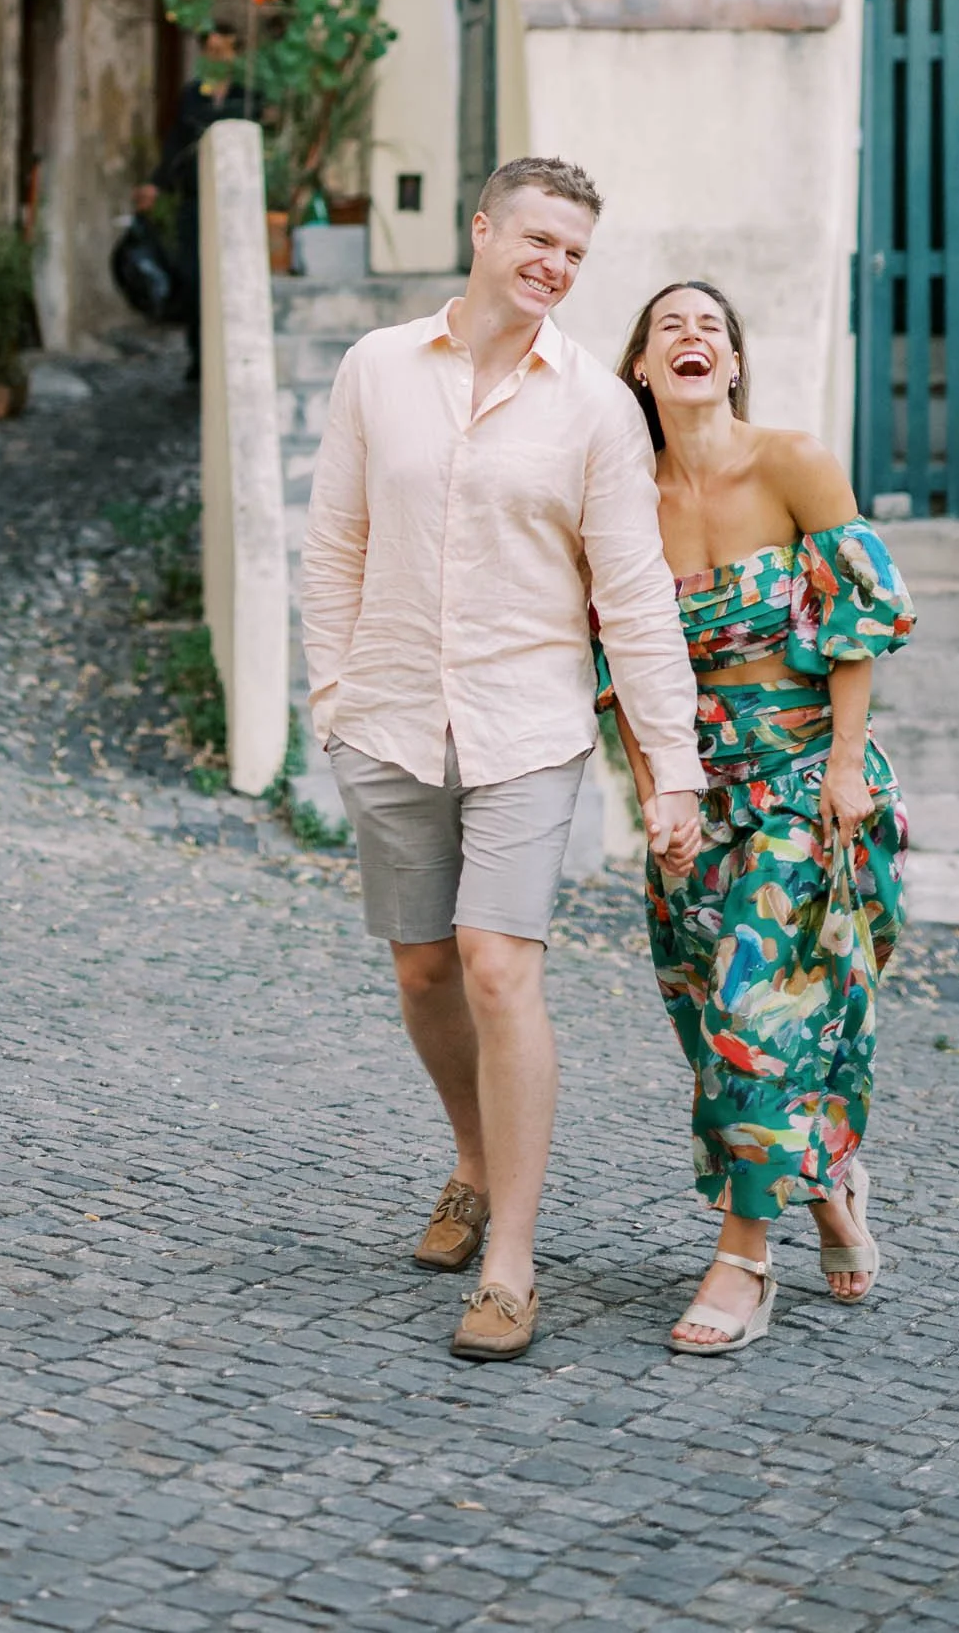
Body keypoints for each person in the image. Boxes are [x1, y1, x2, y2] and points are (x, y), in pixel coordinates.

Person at [299, 159, 703, 1363]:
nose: (554, 267)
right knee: (423, 967)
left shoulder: (591, 405)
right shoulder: (377, 368)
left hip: (528, 723)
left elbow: (632, 598)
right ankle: (470, 1164)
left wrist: (668, 762)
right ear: (482, 231)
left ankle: (514, 1257)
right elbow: (335, 542)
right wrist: (333, 693)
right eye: (537, 239)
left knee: (493, 966)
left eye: (575, 254)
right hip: (388, 718)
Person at [599, 282, 915, 1356]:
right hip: (699, 794)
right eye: (667, 327)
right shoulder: (619, 496)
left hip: (806, 786)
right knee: (714, 1026)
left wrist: (841, 763)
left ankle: (742, 1260)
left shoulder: (792, 462)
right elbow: (625, 671)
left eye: (712, 327)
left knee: (756, 1011)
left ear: (732, 362)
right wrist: (655, 793)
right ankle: (825, 1194)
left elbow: (857, 616)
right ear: (639, 367)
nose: (692, 337)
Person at [133, 17, 248, 386]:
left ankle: (232, 359)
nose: (216, 57)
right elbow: (175, 146)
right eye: (209, 50)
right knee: (194, 280)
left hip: (237, 207)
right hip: (194, 203)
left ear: (235, 53)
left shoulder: (249, 95)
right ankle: (200, 359)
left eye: (222, 50)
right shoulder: (192, 94)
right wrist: (155, 185)